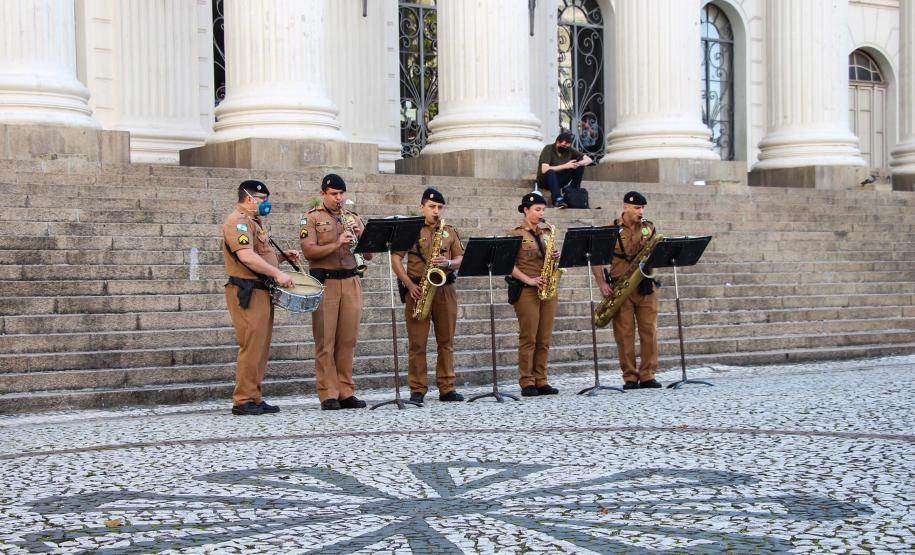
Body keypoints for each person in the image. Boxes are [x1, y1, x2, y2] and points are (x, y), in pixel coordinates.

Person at [222, 180, 298, 416]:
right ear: (249, 198)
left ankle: (254, 396)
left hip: (261, 290)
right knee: (251, 345)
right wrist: (277, 272)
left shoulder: (254, 222)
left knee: (261, 347)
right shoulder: (238, 222)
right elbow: (246, 257)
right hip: (247, 291)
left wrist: (281, 258)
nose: (266, 203)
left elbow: (260, 255)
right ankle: (243, 399)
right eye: (262, 198)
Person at [299, 174, 374, 410]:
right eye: (333, 194)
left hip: (351, 280)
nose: (338, 198)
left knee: (347, 340)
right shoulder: (311, 219)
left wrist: (361, 235)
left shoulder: (352, 217)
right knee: (325, 340)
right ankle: (328, 393)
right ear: (323, 194)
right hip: (326, 283)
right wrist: (338, 243)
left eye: (342, 193)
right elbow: (309, 252)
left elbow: (369, 255)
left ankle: (346, 390)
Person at [391, 188, 465, 404]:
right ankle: (417, 388)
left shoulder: (449, 230)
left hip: (445, 289)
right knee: (417, 343)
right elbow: (396, 259)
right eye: (432, 207)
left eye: (440, 207)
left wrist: (449, 263)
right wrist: (408, 285)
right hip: (418, 290)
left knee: (446, 341)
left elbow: (461, 257)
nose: (436, 211)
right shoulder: (411, 230)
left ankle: (447, 387)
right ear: (422, 207)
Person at [592, 191, 662, 390]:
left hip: (646, 286)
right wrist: (601, 284)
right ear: (625, 207)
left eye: (642, 208)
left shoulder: (648, 228)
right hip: (620, 286)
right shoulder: (611, 229)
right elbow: (596, 258)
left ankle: (648, 374)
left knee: (649, 331)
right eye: (637, 208)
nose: (640, 212)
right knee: (624, 334)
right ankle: (629, 376)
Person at [508, 193, 560, 397]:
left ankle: (541, 380)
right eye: (537, 210)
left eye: (543, 210)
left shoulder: (547, 232)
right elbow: (508, 265)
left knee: (544, 338)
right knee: (529, 337)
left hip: (547, 288)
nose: (541, 214)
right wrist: (528, 280)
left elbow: (552, 259)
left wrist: (555, 256)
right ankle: (527, 381)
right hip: (527, 290)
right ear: (525, 210)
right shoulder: (516, 234)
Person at [536, 131, 593, 208]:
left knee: (579, 164)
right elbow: (544, 169)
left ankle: (574, 191)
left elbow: (589, 160)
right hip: (545, 180)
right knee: (550, 172)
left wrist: (578, 164)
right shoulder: (548, 148)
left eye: (567, 146)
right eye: (563, 145)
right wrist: (566, 166)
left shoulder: (569, 150)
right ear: (557, 142)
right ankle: (557, 199)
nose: (565, 148)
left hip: (559, 180)